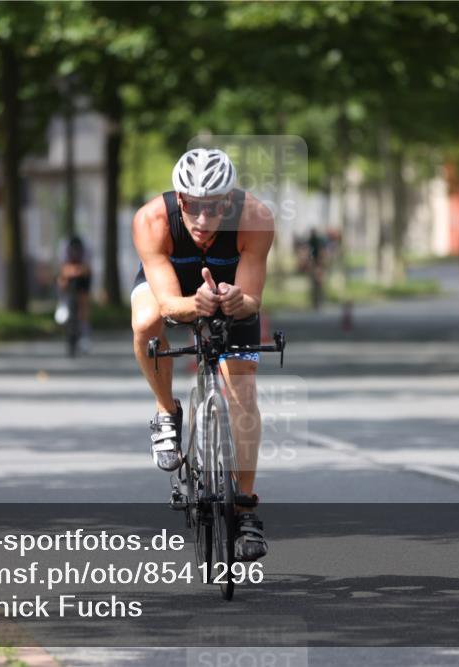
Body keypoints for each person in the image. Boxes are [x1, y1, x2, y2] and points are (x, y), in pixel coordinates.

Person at [130, 148, 274, 561]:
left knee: (243, 393)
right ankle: (165, 410)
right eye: (193, 207)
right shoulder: (151, 221)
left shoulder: (256, 218)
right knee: (144, 323)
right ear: (180, 200)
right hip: (174, 288)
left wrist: (234, 299)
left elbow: (252, 299)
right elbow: (170, 305)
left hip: (231, 291)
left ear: (229, 201)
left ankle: (245, 509)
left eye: (214, 208)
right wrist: (194, 304)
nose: (203, 220)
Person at [57, 236, 92, 355]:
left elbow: (87, 269)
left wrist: (78, 271)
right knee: (62, 283)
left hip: (83, 279)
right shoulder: (64, 249)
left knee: (83, 305)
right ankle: (62, 305)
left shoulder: (86, 250)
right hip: (69, 277)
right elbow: (63, 269)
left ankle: (84, 334)